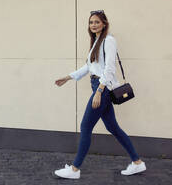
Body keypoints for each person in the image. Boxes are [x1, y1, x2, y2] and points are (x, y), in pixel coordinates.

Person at [53, 10, 146, 179]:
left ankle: (74, 169)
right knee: (113, 128)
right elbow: (89, 67)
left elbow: (109, 69)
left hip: (102, 88)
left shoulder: (109, 41)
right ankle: (137, 163)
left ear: (104, 23)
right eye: (91, 22)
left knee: (86, 126)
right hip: (98, 86)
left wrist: (99, 91)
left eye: (96, 22)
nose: (93, 25)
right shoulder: (96, 41)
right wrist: (68, 77)